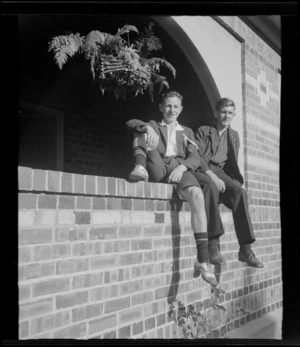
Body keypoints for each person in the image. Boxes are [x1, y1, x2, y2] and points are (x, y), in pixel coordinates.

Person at [126, 91, 217, 286]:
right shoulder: (154, 125)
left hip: (179, 170)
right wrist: (147, 128)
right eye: (168, 106)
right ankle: (140, 166)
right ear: (161, 107)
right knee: (140, 131)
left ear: (181, 109)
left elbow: (195, 157)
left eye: (176, 107)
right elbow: (131, 122)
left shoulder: (187, 132)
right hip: (158, 167)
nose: (171, 110)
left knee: (197, 194)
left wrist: (183, 167)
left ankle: (202, 259)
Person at [193, 97, 264, 268]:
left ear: (234, 115)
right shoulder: (204, 130)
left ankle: (245, 249)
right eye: (223, 112)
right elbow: (197, 157)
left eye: (230, 113)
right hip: (204, 169)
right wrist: (213, 177)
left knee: (240, 192)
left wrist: (233, 183)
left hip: (223, 173)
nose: (226, 116)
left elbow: (233, 162)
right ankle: (213, 245)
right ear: (216, 112)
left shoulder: (234, 136)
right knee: (210, 188)